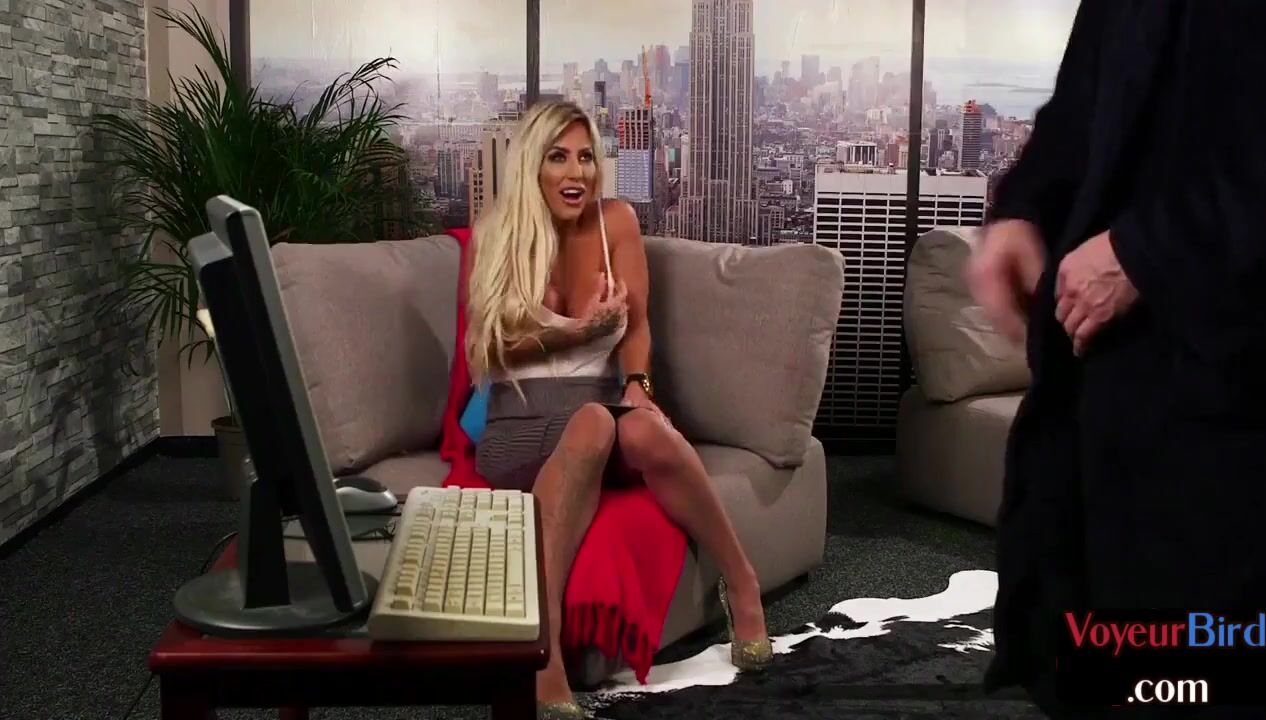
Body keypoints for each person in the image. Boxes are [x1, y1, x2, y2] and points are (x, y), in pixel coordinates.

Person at [967, 1, 1266, 717]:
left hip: (1234, 394)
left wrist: (1147, 249)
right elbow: (1089, 99)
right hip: (1109, 390)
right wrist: (1022, 208)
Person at [463, 101, 771, 719]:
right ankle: (544, 651)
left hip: (599, 413)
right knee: (595, 422)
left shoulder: (616, 222)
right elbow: (488, 349)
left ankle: (742, 582)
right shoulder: (497, 232)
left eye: (586, 157)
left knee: (640, 431)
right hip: (518, 425)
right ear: (532, 165)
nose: (575, 172)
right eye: (558, 157)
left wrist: (637, 386)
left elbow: (638, 326)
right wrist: (580, 332)